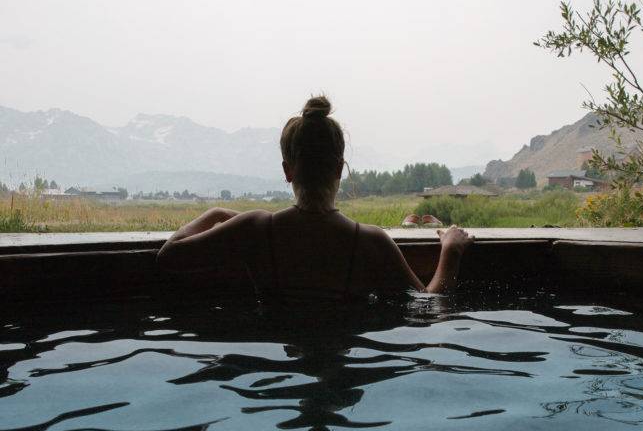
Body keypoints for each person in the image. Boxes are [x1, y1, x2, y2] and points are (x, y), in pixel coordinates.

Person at [157, 96, 473, 300]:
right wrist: (451, 250)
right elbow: (429, 308)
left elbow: (169, 257)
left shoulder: (255, 228)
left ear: (287, 170)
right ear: (339, 169)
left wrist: (216, 213)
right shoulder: (369, 242)